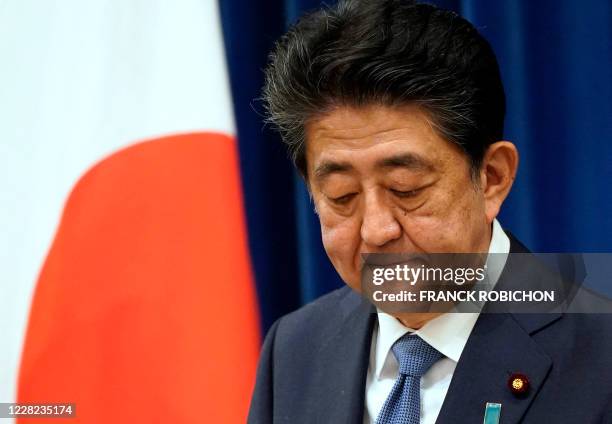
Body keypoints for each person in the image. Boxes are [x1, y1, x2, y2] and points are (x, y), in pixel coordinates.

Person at [248, 1, 612, 422]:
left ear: (492, 177)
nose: (377, 230)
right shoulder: (294, 349)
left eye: (406, 189)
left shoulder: (600, 355)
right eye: (342, 195)